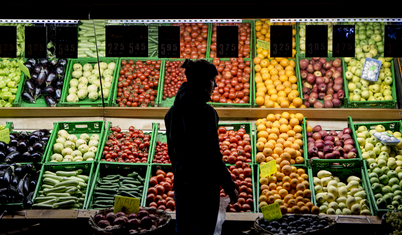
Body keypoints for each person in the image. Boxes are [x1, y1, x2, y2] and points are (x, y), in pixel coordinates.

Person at [164, 59, 239, 235]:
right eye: (213, 80)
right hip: (204, 184)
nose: (215, 84)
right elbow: (212, 155)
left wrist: (180, 171)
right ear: (205, 83)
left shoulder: (172, 112)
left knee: (183, 229)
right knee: (203, 231)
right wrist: (229, 186)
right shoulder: (206, 113)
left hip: (182, 181)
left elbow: (171, 151)